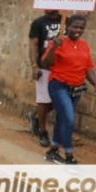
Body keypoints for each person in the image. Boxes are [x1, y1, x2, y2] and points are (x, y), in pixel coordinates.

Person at [41, 14, 96, 165]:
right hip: (59, 85)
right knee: (68, 119)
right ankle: (69, 156)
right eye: (75, 27)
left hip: (77, 88)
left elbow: (88, 68)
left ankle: (53, 150)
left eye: (81, 28)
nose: (78, 30)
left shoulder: (84, 45)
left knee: (63, 119)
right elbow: (46, 63)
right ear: (67, 27)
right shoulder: (58, 42)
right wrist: (54, 47)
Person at [27, 9, 62, 147]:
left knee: (58, 101)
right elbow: (33, 46)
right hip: (44, 68)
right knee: (43, 100)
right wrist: (34, 66)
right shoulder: (38, 23)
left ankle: (35, 115)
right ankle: (42, 131)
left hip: (62, 69)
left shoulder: (67, 21)